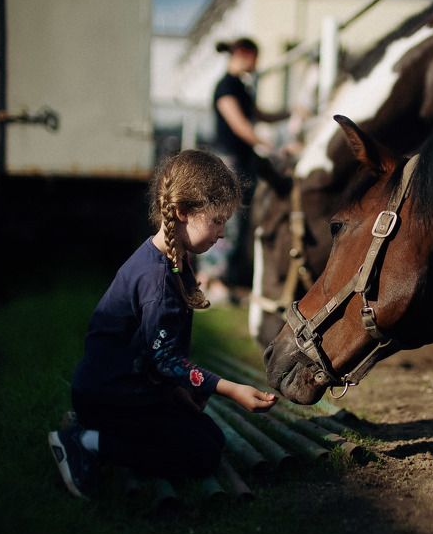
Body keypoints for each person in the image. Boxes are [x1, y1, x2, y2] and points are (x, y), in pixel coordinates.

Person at [48, 150, 277, 500]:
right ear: (183, 212)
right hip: (111, 395)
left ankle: (95, 429)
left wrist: (180, 392)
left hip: (126, 387)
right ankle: (86, 442)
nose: (221, 234)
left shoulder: (170, 259)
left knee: (207, 437)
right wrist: (230, 389)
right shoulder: (158, 281)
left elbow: (153, 350)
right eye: (216, 221)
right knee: (201, 451)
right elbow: (165, 360)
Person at [202, 37, 291, 298]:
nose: (258, 64)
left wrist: (292, 113)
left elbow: (260, 115)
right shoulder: (226, 86)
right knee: (223, 219)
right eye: (256, 57)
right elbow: (240, 126)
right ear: (244, 54)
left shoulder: (240, 86)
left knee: (236, 222)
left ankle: (221, 279)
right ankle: (210, 279)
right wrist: (271, 148)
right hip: (228, 162)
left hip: (241, 162)